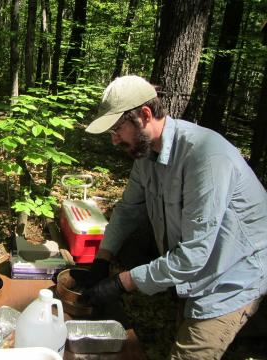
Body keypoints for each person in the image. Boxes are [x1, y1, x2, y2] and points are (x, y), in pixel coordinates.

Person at [83, 75, 267, 359]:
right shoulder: (145, 156)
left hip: (233, 276)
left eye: (118, 129)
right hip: (198, 272)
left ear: (145, 115)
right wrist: (102, 259)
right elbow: (128, 210)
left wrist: (122, 283)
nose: (114, 139)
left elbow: (194, 255)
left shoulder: (205, 157)